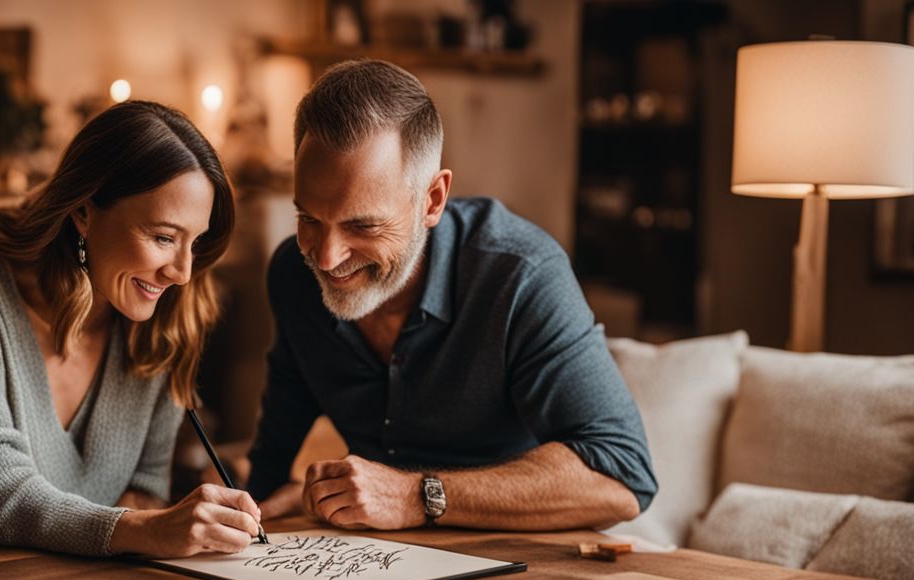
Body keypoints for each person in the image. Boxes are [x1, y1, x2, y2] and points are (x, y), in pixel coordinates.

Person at [0, 100, 262, 564]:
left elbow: (145, 484)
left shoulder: (168, 312)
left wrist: (159, 520)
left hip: (54, 577)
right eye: (163, 237)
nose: (182, 272)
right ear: (84, 212)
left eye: (195, 242)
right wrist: (148, 529)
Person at [247, 60, 658, 532]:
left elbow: (624, 477)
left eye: (362, 225)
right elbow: (273, 453)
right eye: (309, 219)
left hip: (516, 564)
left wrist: (415, 496)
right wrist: (243, 509)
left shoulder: (520, 275)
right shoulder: (292, 274)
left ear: (432, 200)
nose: (325, 257)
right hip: (362, 560)